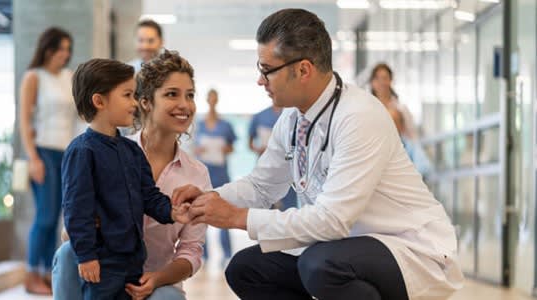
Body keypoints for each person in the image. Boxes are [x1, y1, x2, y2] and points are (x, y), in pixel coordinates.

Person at [172, 8, 463, 300]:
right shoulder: (293, 118)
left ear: (303, 70)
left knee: (321, 266)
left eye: (266, 69)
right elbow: (262, 185)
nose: (261, 81)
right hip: (344, 245)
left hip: (409, 248)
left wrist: (239, 218)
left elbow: (332, 220)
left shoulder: (359, 116)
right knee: (246, 268)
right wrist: (208, 199)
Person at [52, 50, 210, 300]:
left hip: (140, 270)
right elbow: (76, 208)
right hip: (101, 260)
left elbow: (150, 196)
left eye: (190, 95)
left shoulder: (134, 153)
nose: (184, 104)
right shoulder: (84, 150)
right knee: (68, 253)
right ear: (146, 101)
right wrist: (87, 252)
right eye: (172, 94)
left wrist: (172, 211)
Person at [18, 27, 76, 295]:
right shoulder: (34, 77)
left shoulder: (69, 77)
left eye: (68, 49)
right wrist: (33, 158)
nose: (64, 54)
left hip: (67, 153)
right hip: (42, 151)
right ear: (48, 48)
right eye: (60, 48)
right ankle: (31, 274)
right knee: (45, 217)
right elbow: (24, 121)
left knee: (61, 218)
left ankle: (48, 274)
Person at [194, 89, 235, 266]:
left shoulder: (225, 125)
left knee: (223, 213)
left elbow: (232, 147)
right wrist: (198, 150)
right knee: (202, 214)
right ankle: (204, 255)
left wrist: (225, 149)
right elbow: (192, 146)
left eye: (214, 98)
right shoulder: (199, 124)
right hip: (204, 173)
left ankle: (226, 254)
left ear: (217, 100)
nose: (212, 101)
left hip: (221, 173)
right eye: (209, 97)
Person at [248, 105, 298, 211]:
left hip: (289, 171)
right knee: (264, 210)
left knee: (289, 210)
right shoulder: (260, 116)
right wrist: (259, 150)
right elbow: (250, 144)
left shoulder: (295, 115)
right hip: (266, 169)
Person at [370, 63, 418, 140]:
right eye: (377, 78)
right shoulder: (367, 108)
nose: (381, 82)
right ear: (372, 82)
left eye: (384, 78)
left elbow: (412, 136)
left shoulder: (401, 108)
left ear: (390, 80)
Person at [387, 107, 433, 177]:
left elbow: (424, 168)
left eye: (395, 122)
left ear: (402, 126)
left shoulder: (411, 146)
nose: (392, 126)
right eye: (389, 122)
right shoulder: (382, 145)